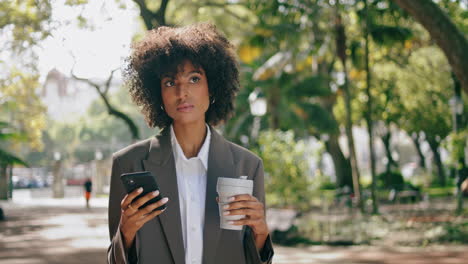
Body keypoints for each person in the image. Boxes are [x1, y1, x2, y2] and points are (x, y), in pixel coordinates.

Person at [107, 23, 274, 264]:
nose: (182, 92)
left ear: (212, 87)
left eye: (194, 79)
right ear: (158, 95)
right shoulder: (128, 163)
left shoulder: (247, 166)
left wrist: (261, 233)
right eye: (170, 82)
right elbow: (114, 258)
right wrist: (126, 232)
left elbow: (253, 258)